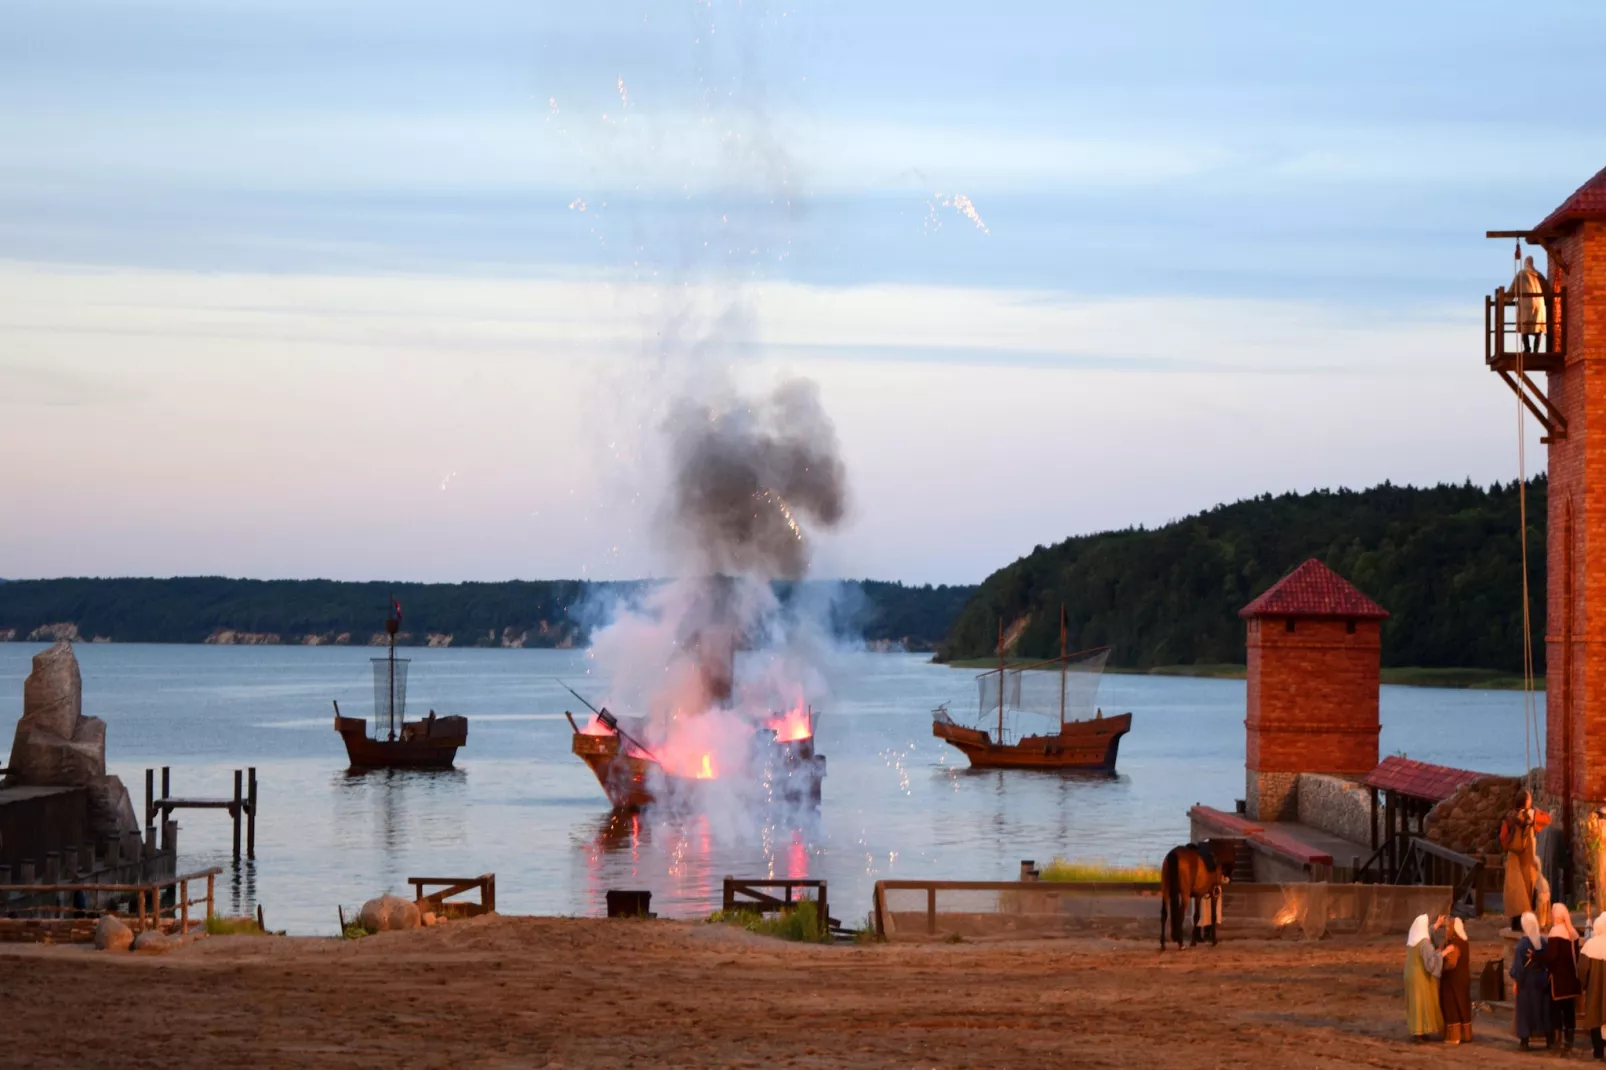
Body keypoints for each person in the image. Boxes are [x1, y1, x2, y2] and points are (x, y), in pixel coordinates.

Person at [1503, 790, 1552, 928]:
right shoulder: (1532, 814)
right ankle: (1526, 924)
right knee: (1527, 891)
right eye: (1529, 799)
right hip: (1527, 858)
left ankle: (1515, 923)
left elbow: (1503, 839)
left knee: (1515, 891)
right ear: (1527, 802)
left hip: (1513, 857)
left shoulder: (1510, 816)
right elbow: (1547, 819)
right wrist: (1537, 810)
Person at [1539, 902, 1583, 1051]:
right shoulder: (1573, 934)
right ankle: (1569, 1040)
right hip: (1571, 980)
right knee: (1569, 1011)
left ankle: (1556, 1040)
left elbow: (1551, 957)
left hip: (1558, 981)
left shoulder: (1555, 933)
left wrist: (1537, 957)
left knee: (1556, 1010)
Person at [1513, 910, 1555, 1050]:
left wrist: (1516, 981)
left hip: (1527, 981)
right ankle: (1549, 1039)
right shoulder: (1543, 942)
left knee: (1525, 1010)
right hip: (1541, 979)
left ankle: (1525, 1040)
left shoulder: (1521, 945)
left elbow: (1518, 967)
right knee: (1544, 1009)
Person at [1403, 913, 1444, 1042]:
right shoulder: (1425, 943)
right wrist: (1442, 954)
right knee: (1423, 1003)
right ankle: (1422, 1031)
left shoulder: (1413, 938)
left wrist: (1436, 925)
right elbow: (1430, 964)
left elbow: (1426, 932)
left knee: (1415, 1004)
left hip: (1410, 974)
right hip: (1421, 977)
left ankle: (1418, 1031)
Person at [1437, 914, 1473, 1045]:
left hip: (1451, 981)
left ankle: (1454, 1037)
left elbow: (1451, 963)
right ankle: (1465, 1035)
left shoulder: (1454, 944)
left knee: (1452, 1006)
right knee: (1463, 1005)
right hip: (1463, 980)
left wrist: (1440, 966)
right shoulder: (1464, 943)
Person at [1579, 912, 1606, 1060]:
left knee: (1595, 1016)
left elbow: (1582, 970)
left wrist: (1583, 985)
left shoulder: (1590, 945)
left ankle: (1598, 1050)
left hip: (1594, 988)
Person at [1511, 253, 1548, 353]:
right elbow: (1547, 289)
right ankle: (1536, 350)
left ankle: (1527, 348)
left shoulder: (1521, 274)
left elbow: (1513, 289)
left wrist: (1505, 300)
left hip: (1527, 304)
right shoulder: (1539, 275)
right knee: (1538, 328)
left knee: (1524, 326)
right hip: (1539, 305)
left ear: (1525, 263)